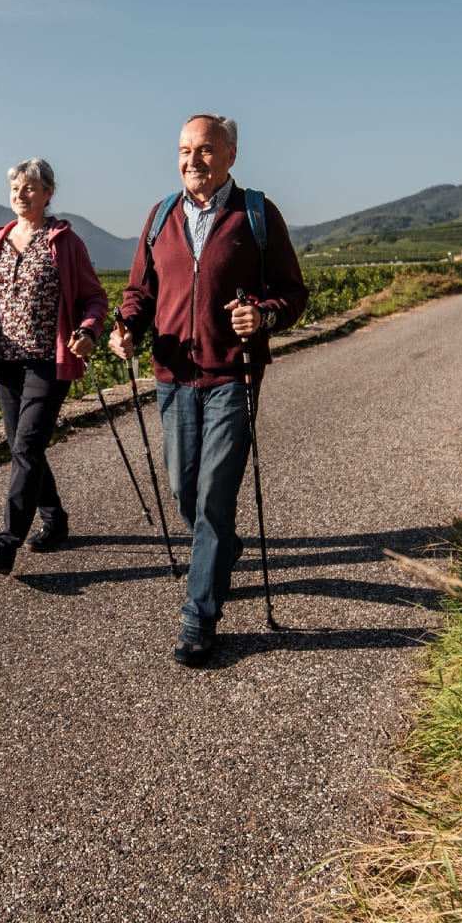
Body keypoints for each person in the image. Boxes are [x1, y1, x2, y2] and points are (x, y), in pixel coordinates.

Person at [109, 114, 307, 666]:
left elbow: (292, 292)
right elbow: (139, 293)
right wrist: (127, 328)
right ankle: (223, 550)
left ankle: (199, 617)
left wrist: (263, 316)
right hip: (173, 377)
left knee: (215, 494)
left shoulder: (257, 214)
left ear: (230, 155)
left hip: (232, 376)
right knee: (184, 490)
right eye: (184, 151)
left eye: (204, 150)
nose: (192, 161)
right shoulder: (161, 216)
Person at [0, 158, 108, 575]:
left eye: (30, 187)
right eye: (15, 188)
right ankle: (55, 519)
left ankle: (6, 545)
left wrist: (88, 330)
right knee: (23, 448)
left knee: (27, 447)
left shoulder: (65, 242)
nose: (20, 194)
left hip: (49, 362)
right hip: (7, 363)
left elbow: (94, 298)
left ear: (48, 193)